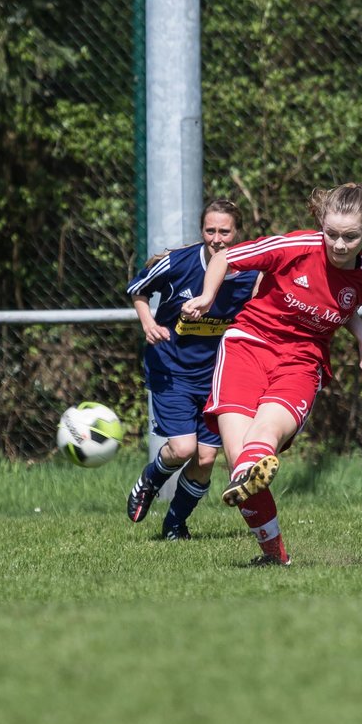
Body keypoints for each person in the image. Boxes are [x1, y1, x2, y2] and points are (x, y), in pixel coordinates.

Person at [180, 182, 362, 565]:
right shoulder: (292, 247)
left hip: (302, 360)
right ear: (321, 224)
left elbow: (340, 306)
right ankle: (274, 555)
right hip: (247, 347)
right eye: (332, 234)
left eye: (351, 237)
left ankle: (269, 535)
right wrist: (208, 298)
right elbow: (226, 258)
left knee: (262, 442)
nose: (339, 245)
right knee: (240, 457)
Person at [125, 200, 258, 540]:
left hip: (218, 376)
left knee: (206, 457)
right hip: (172, 369)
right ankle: (150, 480)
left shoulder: (252, 275)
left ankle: (174, 524)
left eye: (224, 231)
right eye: (210, 230)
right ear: (202, 231)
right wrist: (148, 323)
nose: (217, 238)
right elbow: (137, 289)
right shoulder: (178, 263)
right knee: (183, 449)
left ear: (237, 233)